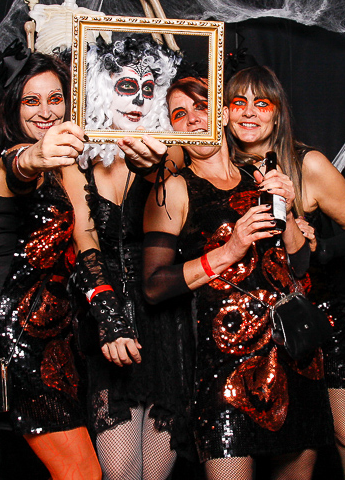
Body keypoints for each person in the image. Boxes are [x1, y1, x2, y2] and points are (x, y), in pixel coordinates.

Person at [142, 76, 333, 480]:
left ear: (224, 115)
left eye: (202, 106)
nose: (194, 120)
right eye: (179, 114)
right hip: (225, 368)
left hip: (291, 355)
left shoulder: (259, 177)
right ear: (171, 129)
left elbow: (300, 266)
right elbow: (154, 286)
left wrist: (288, 208)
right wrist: (229, 250)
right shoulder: (174, 189)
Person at [0, 47, 139, 480]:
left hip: (59, 328)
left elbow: (86, 241)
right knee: (82, 473)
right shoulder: (6, 164)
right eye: (31, 101)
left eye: (55, 98)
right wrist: (34, 157)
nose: (46, 112)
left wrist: (110, 317)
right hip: (14, 327)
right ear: (13, 107)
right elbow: (17, 168)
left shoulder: (70, 166)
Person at [224, 65, 345, 480]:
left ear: (277, 114)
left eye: (262, 103)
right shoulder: (218, 169)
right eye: (238, 102)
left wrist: (319, 247)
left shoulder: (306, 163)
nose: (249, 112)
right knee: (272, 443)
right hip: (251, 326)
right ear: (224, 113)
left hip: (318, 316)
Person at [76, 35, 194, 480]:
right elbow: (83, 239)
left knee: (157, 471)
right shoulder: (77, 160)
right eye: (127, 86)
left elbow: (174, 161)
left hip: (165, 317)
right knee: (122, 470)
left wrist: (154, 165)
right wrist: (109, 318)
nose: (139, 100)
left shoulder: (172, 155)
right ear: (101, 87)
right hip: (106, 316)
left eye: (149, 89)